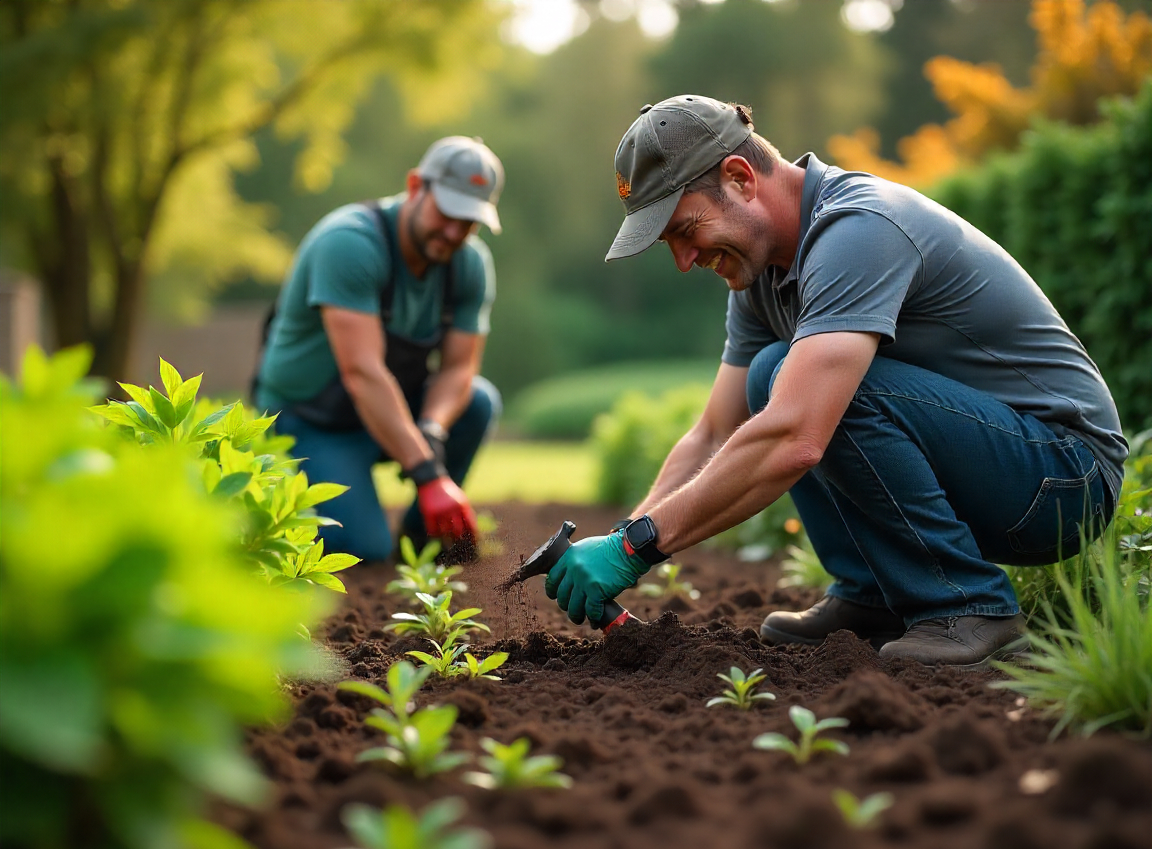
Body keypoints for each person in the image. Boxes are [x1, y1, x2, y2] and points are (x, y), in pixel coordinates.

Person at [544, 95, 1127, 667]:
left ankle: (969, 606)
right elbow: (715, 431)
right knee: (776, 374)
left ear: (741, 178)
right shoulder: (759, 278)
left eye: (685, 230)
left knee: (811, 394)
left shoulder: (858, 228)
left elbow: (796, 433)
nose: (683, 259)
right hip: (1001, 467)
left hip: (1063, 476)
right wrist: (625, 537)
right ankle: (873, 594)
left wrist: (638, 547)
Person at [254, 136, 505, 562]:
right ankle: (383, 527)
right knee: (360, 550)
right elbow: (362, 373)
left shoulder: (470, 265)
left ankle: (422, 538)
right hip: (313, 417)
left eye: (468, 222)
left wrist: (430, 431)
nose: (453, 232)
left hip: (386, 408)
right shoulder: (350, 242)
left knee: (478, 401)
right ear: (414, 187)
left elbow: (459, 369)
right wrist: (427, 474)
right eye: (446, 213)